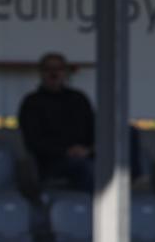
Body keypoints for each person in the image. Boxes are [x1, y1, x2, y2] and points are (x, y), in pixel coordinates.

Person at [18, 52, 96, 191]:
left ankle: (135, 182)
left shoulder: (79, 99)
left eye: (58, 69)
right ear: (41, 73)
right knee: (87, 168)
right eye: (49, 69)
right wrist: (67, 151)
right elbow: (33, 141)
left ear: (65, 72)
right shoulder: (32, 102)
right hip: (53, 163)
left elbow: (95, 129)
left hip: (86, 156)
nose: (54, 73)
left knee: (128, 133)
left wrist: (88, 149)